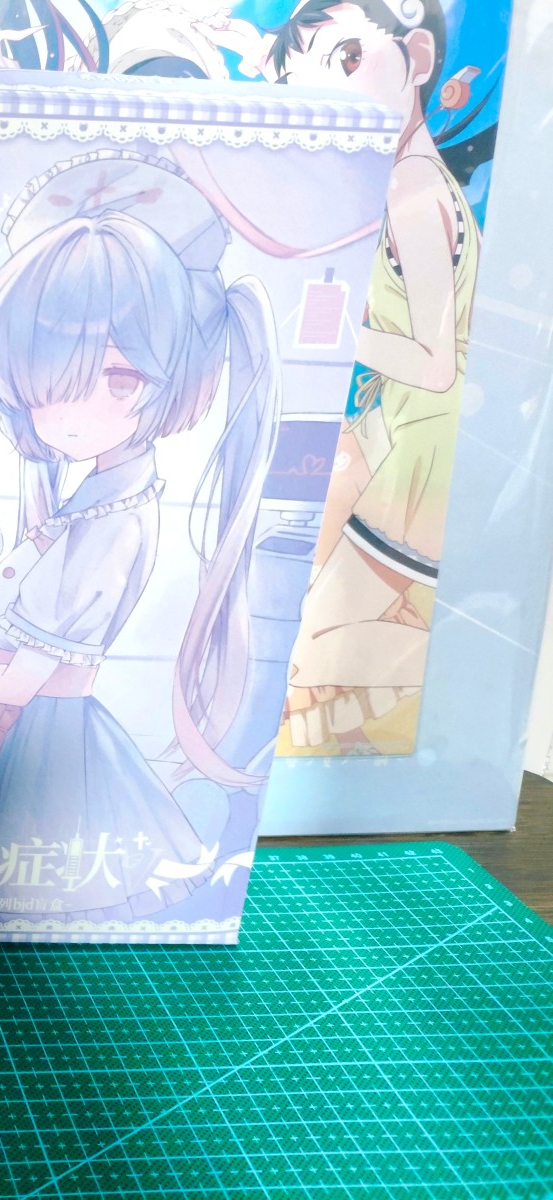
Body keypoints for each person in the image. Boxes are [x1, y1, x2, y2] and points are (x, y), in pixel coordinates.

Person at [0, 152, 282, 922]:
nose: (72, 413)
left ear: (176, 376)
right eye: (49, 381)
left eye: (118, 379)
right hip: (14, 729)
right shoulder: (91, 502)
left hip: (37, 740)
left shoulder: (113, 524)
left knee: (13, 899)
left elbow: (22, 683)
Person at [269, 0, 482, 756]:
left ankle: (437, 684)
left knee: (324, 649)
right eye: (307, 85)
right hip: (390, 434)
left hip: (417, 450)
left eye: (350, 60)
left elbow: (434, 360)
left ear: (417, 58)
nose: (337, 96)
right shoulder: (400, 181)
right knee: (318, 652)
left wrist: (332, 330)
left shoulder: (412, 190)